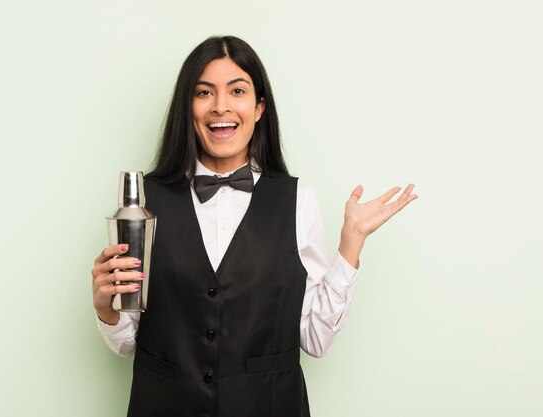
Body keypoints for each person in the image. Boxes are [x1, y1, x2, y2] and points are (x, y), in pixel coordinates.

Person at [91, 35, 417, 417]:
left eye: (237, 91)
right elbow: (127, 341)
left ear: (259, 107)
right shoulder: (143, 201)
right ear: (188, 108)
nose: (221, 107)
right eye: (204, 92)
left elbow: (315, 338)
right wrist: (104, 306)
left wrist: (351, 245)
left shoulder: (298, 198)